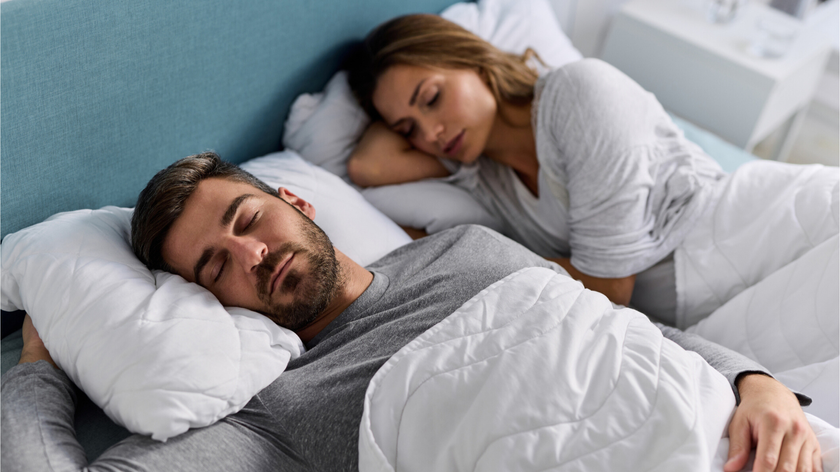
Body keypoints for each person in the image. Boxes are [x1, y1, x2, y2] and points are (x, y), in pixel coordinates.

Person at [1, 153, 821, 472]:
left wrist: (756, 381)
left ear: (293, 200)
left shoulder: (471, 246)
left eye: (247, 223)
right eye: (217, 267)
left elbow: (631, 336)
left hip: (757, 441)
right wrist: (39, 368)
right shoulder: (275, 412)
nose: (252, 257)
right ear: (206, 300)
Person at [344, 14, 839, 329]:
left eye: (432, 97)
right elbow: (367, 165)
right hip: (711, 299)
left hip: (761, 232)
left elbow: (611, 288)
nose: (429, 132)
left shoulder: (578, 93)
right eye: (408, 127)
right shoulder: (475, 171)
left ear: (471, 57)